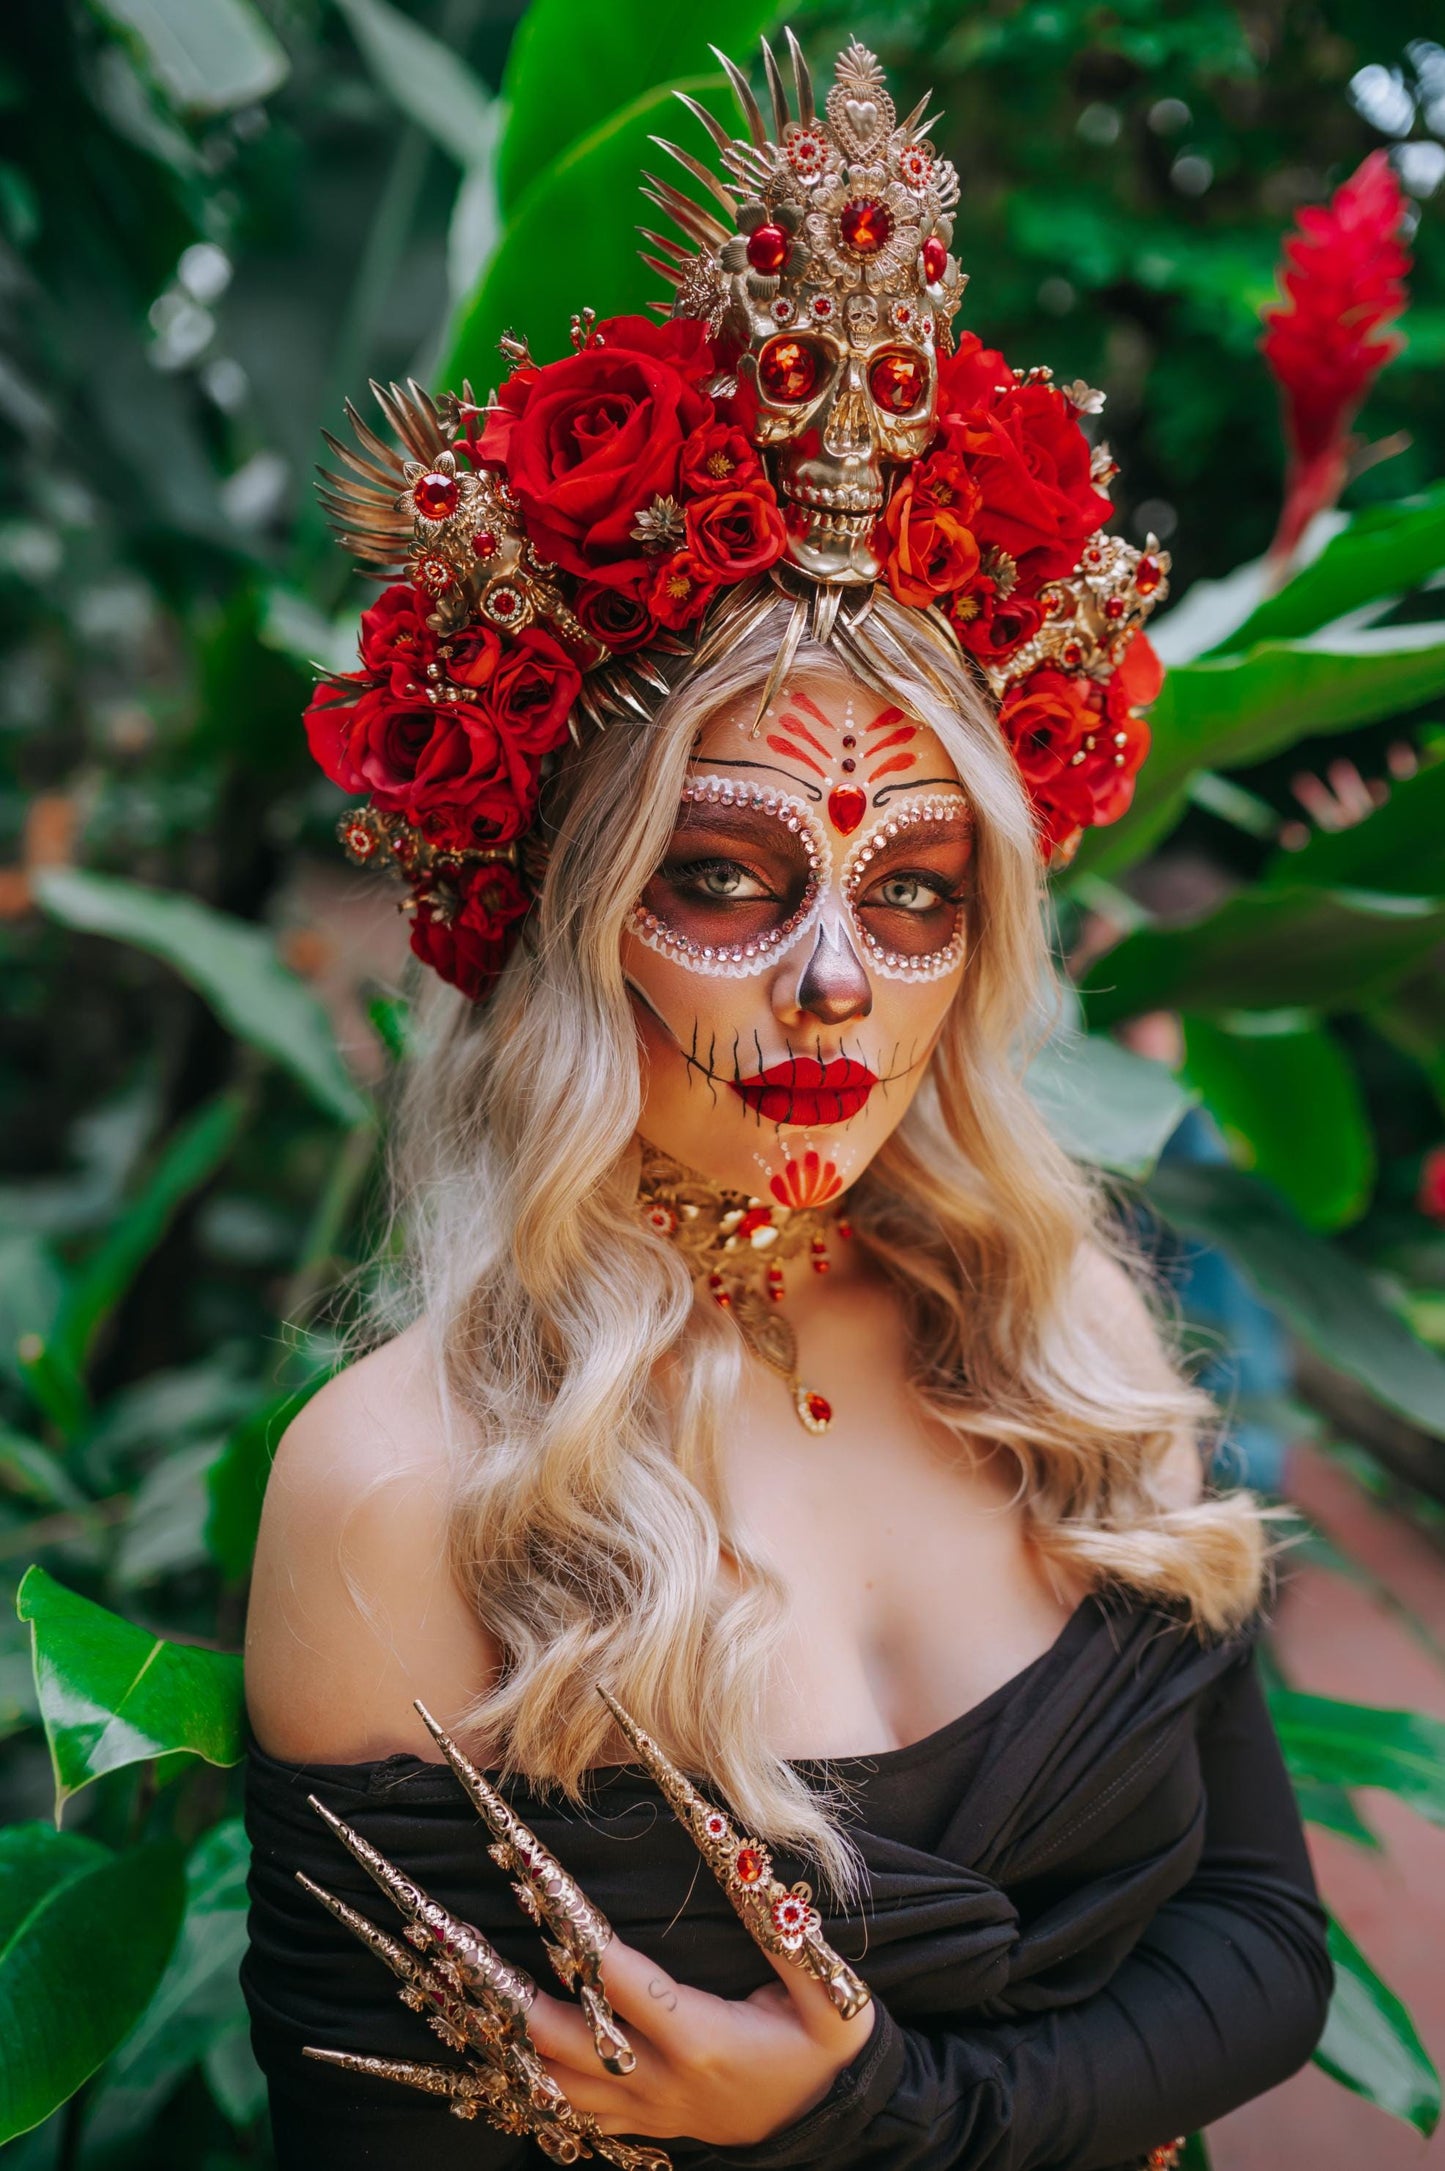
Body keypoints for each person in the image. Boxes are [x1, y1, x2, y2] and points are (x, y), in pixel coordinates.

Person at [242, 33, 1333, 2171]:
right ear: (577, 924)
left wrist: (891, 2120)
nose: (839, 970)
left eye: (914, 888)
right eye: (727, 877)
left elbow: (1265, 1945)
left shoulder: (1066, 1342)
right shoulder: (398, 1490)